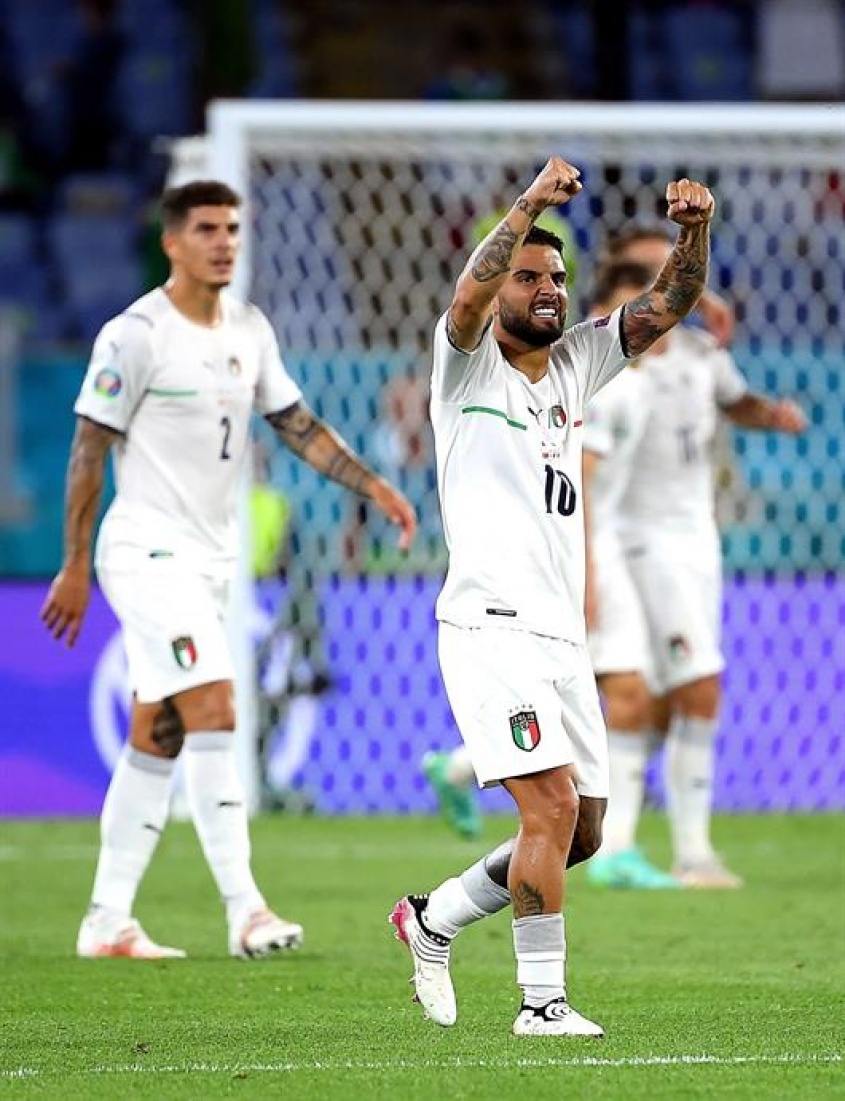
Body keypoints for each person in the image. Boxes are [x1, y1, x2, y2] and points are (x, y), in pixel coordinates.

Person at [41, 179, 416, 960]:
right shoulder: (135, 334)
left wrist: (371, 485)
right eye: (206, 228)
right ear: (171, 242)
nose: (223, 242)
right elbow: (87, 448)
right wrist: (74, 565)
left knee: (159, 730)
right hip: (146, 550)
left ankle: (106, 918)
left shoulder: (249, 327)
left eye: (232, 229)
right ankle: (246, 910)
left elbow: (297, 425)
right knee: (213, 703)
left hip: (210, 561)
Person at [389, 156, 717, 1037]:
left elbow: (669, 303)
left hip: (559, 633)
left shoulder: (576, 365)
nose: (547, 290)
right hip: (489, 625)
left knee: (583, 833)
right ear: (498, 283)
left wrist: (693, 232)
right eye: (528, 277)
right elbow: (466, 299)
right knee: (550, 808)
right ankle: (541, 1002)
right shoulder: (463, 369)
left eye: (558, 278)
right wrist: (530, 203)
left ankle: (433, 917)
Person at [583, 244, 807, 891]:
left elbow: (736, 402)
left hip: (697, 539)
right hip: (638, 541)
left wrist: (771, 416)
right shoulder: (613, 366)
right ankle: (689, 852)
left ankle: (621, 843)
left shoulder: (700, 355)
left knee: (652, 697)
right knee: (690, 685)